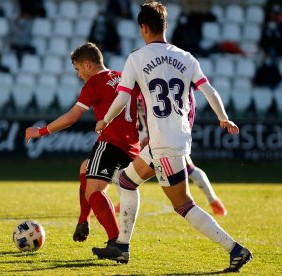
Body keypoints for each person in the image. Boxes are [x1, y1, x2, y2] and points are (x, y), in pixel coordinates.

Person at [93, 2, 252, 273]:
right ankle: (121, 246)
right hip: (169, 140)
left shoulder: (136, 58)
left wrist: (105, 119)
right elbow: (209, 90)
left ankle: (236, 250)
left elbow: (122, 97)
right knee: (127, 181)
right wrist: (222, 117)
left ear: (143, 28)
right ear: (165, 26)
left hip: (164, 145)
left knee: (182, 204)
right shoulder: (186, 57)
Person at [25, 42, 141, 245]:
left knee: (94, 192)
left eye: (78, 69)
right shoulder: (123, 76)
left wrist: (41, 131)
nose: (78, 75)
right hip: (132, 146)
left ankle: (116, 242)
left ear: (87, 64)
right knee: (86, 167)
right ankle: (83, 220)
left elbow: (72, 116)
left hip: (111, 142)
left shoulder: (95, 83)